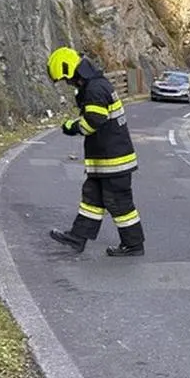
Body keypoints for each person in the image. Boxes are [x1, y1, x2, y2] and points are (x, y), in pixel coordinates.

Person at [45, 46, 145, 257]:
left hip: (113, 161)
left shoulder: (94, 89)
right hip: (106, 159)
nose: (68, 83)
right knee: (92, 200)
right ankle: (77, 238)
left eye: (66, 79)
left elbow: (94, 121)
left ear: (71, 70)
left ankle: (134, 245)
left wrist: (72, 126)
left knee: (120, 204)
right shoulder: (96, 85)